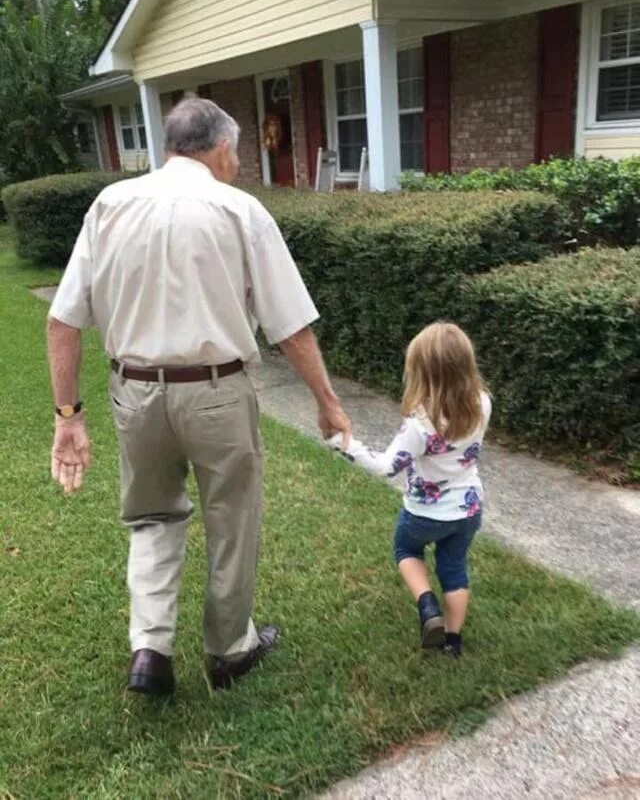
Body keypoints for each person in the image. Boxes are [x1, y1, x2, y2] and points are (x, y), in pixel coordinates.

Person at [47, 97, 351, 695]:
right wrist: (327, 401)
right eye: (236, 153)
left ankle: (150, 650)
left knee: (151, 516)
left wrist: (68, 417)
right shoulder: (239, 210)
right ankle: (230, 650)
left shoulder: (109, 205)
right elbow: (291, 327)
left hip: (134, 394)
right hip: (217, 394)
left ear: (170, 147)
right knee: (232, 519)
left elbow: (62, 322)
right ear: (220, 148)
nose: (236, 164)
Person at [329, 322, 490, 658]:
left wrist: (344, 443)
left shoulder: (420, 424)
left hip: (424, 512)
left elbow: (386, 466)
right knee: (454, 568)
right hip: (468, 509)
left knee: (406, 550)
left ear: (422, 373)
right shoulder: (481, 403)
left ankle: (427, 606)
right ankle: (453, 641)